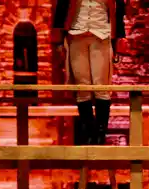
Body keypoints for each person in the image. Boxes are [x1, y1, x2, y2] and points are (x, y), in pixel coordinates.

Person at [51, 0, 124, 145]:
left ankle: (101, 134)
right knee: (82, 88)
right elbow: (61, 8)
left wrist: (119, 42)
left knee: (101, 88)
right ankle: (89, 132)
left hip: (101, 36)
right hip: (76, 35)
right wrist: (59, 41)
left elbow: (118, 10)